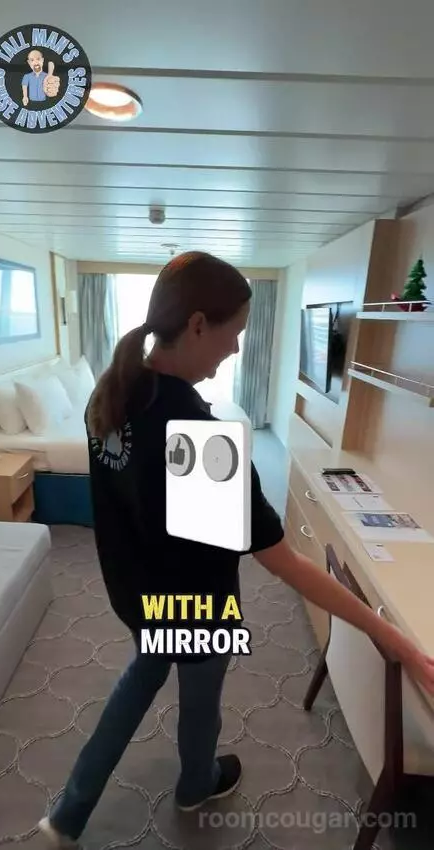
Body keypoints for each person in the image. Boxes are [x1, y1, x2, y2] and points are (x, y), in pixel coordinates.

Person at [39, 251, 434, 847]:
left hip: (136, 594)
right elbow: (283, 561)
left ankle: (67, 814)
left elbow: (126, 510)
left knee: (140, 679)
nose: (236, 349)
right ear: (198, 324)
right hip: (195, 605)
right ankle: (196, 783)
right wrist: (392, 636)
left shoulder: (117, 389)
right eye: (235, 333)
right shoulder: (199, 435)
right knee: (200, 703)